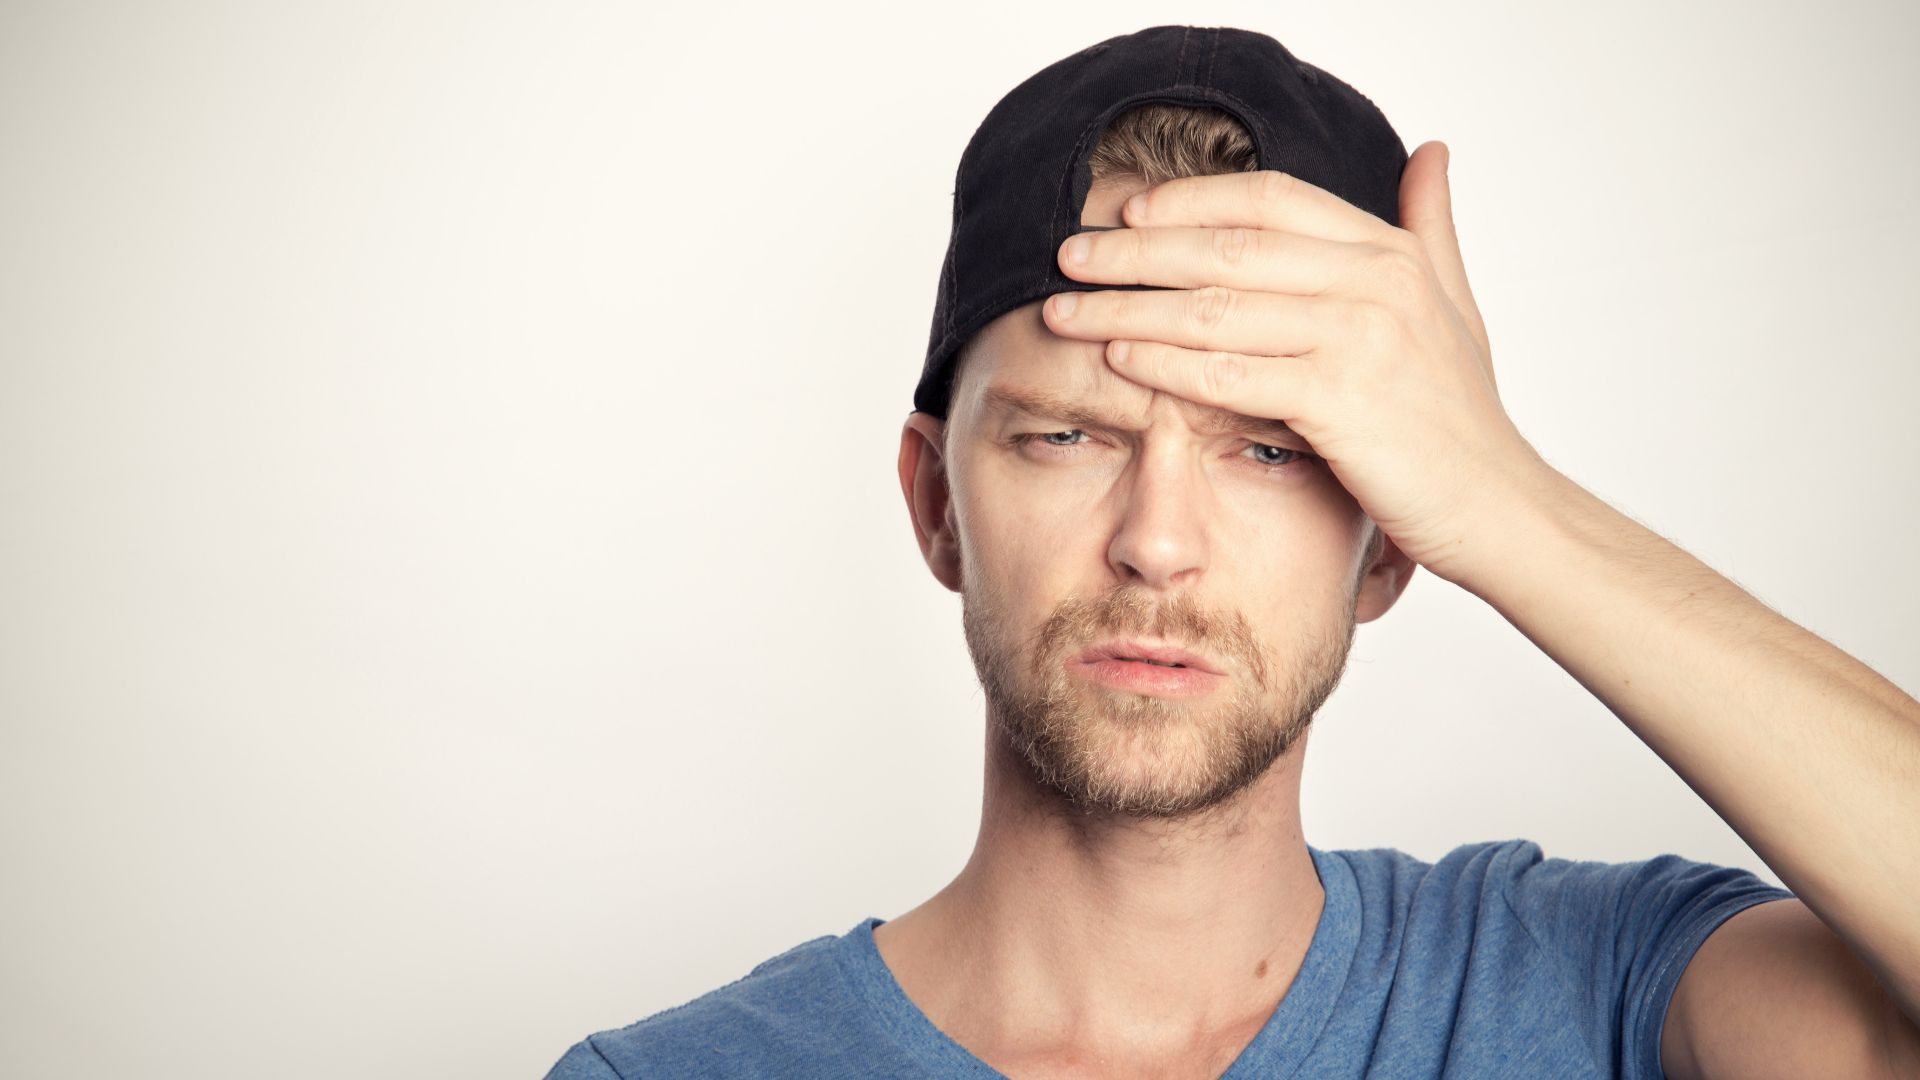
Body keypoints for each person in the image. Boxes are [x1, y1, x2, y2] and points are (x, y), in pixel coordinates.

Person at [544, 26, 1920, 1079]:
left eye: (1271, 451)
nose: (1155, 542)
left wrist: (1510, 503)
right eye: (1068, 437)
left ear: (1390, 550)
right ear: (936, 505)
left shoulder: (1598, 989)